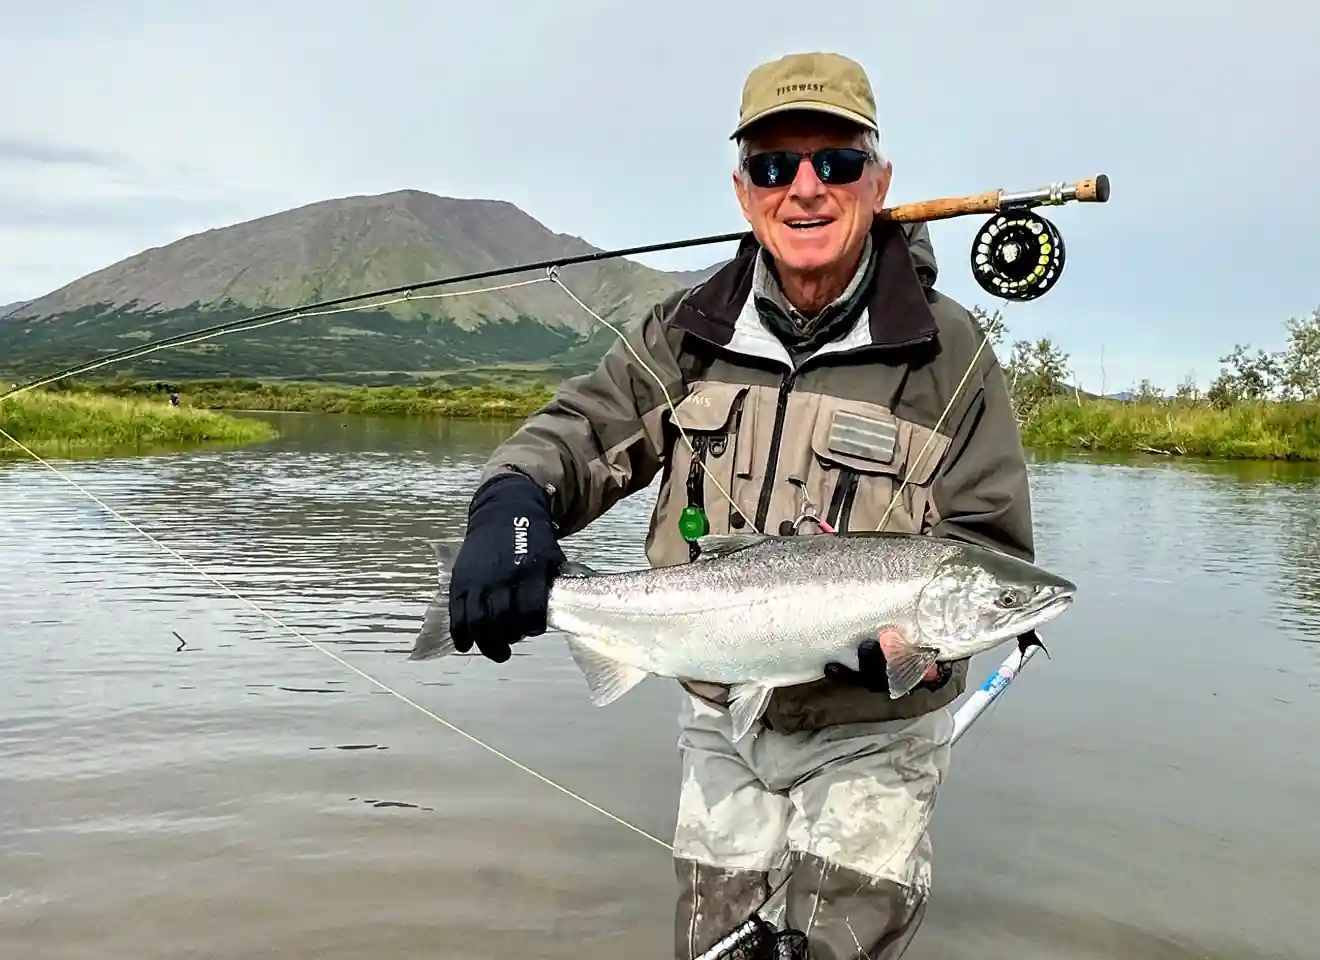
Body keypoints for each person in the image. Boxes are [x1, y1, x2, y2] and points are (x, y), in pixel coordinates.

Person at [440, 51, 1033, 959]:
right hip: (720, 721)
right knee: (711, 946)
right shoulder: (685, 329)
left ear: (879, 183)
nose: (806, 188)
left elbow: (988, 546)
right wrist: (510, 504)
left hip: (876, 741)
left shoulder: (950, 355)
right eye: (774, 165)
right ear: (743, 191)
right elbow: (578, 433)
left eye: (836, 162)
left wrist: (913, 665)